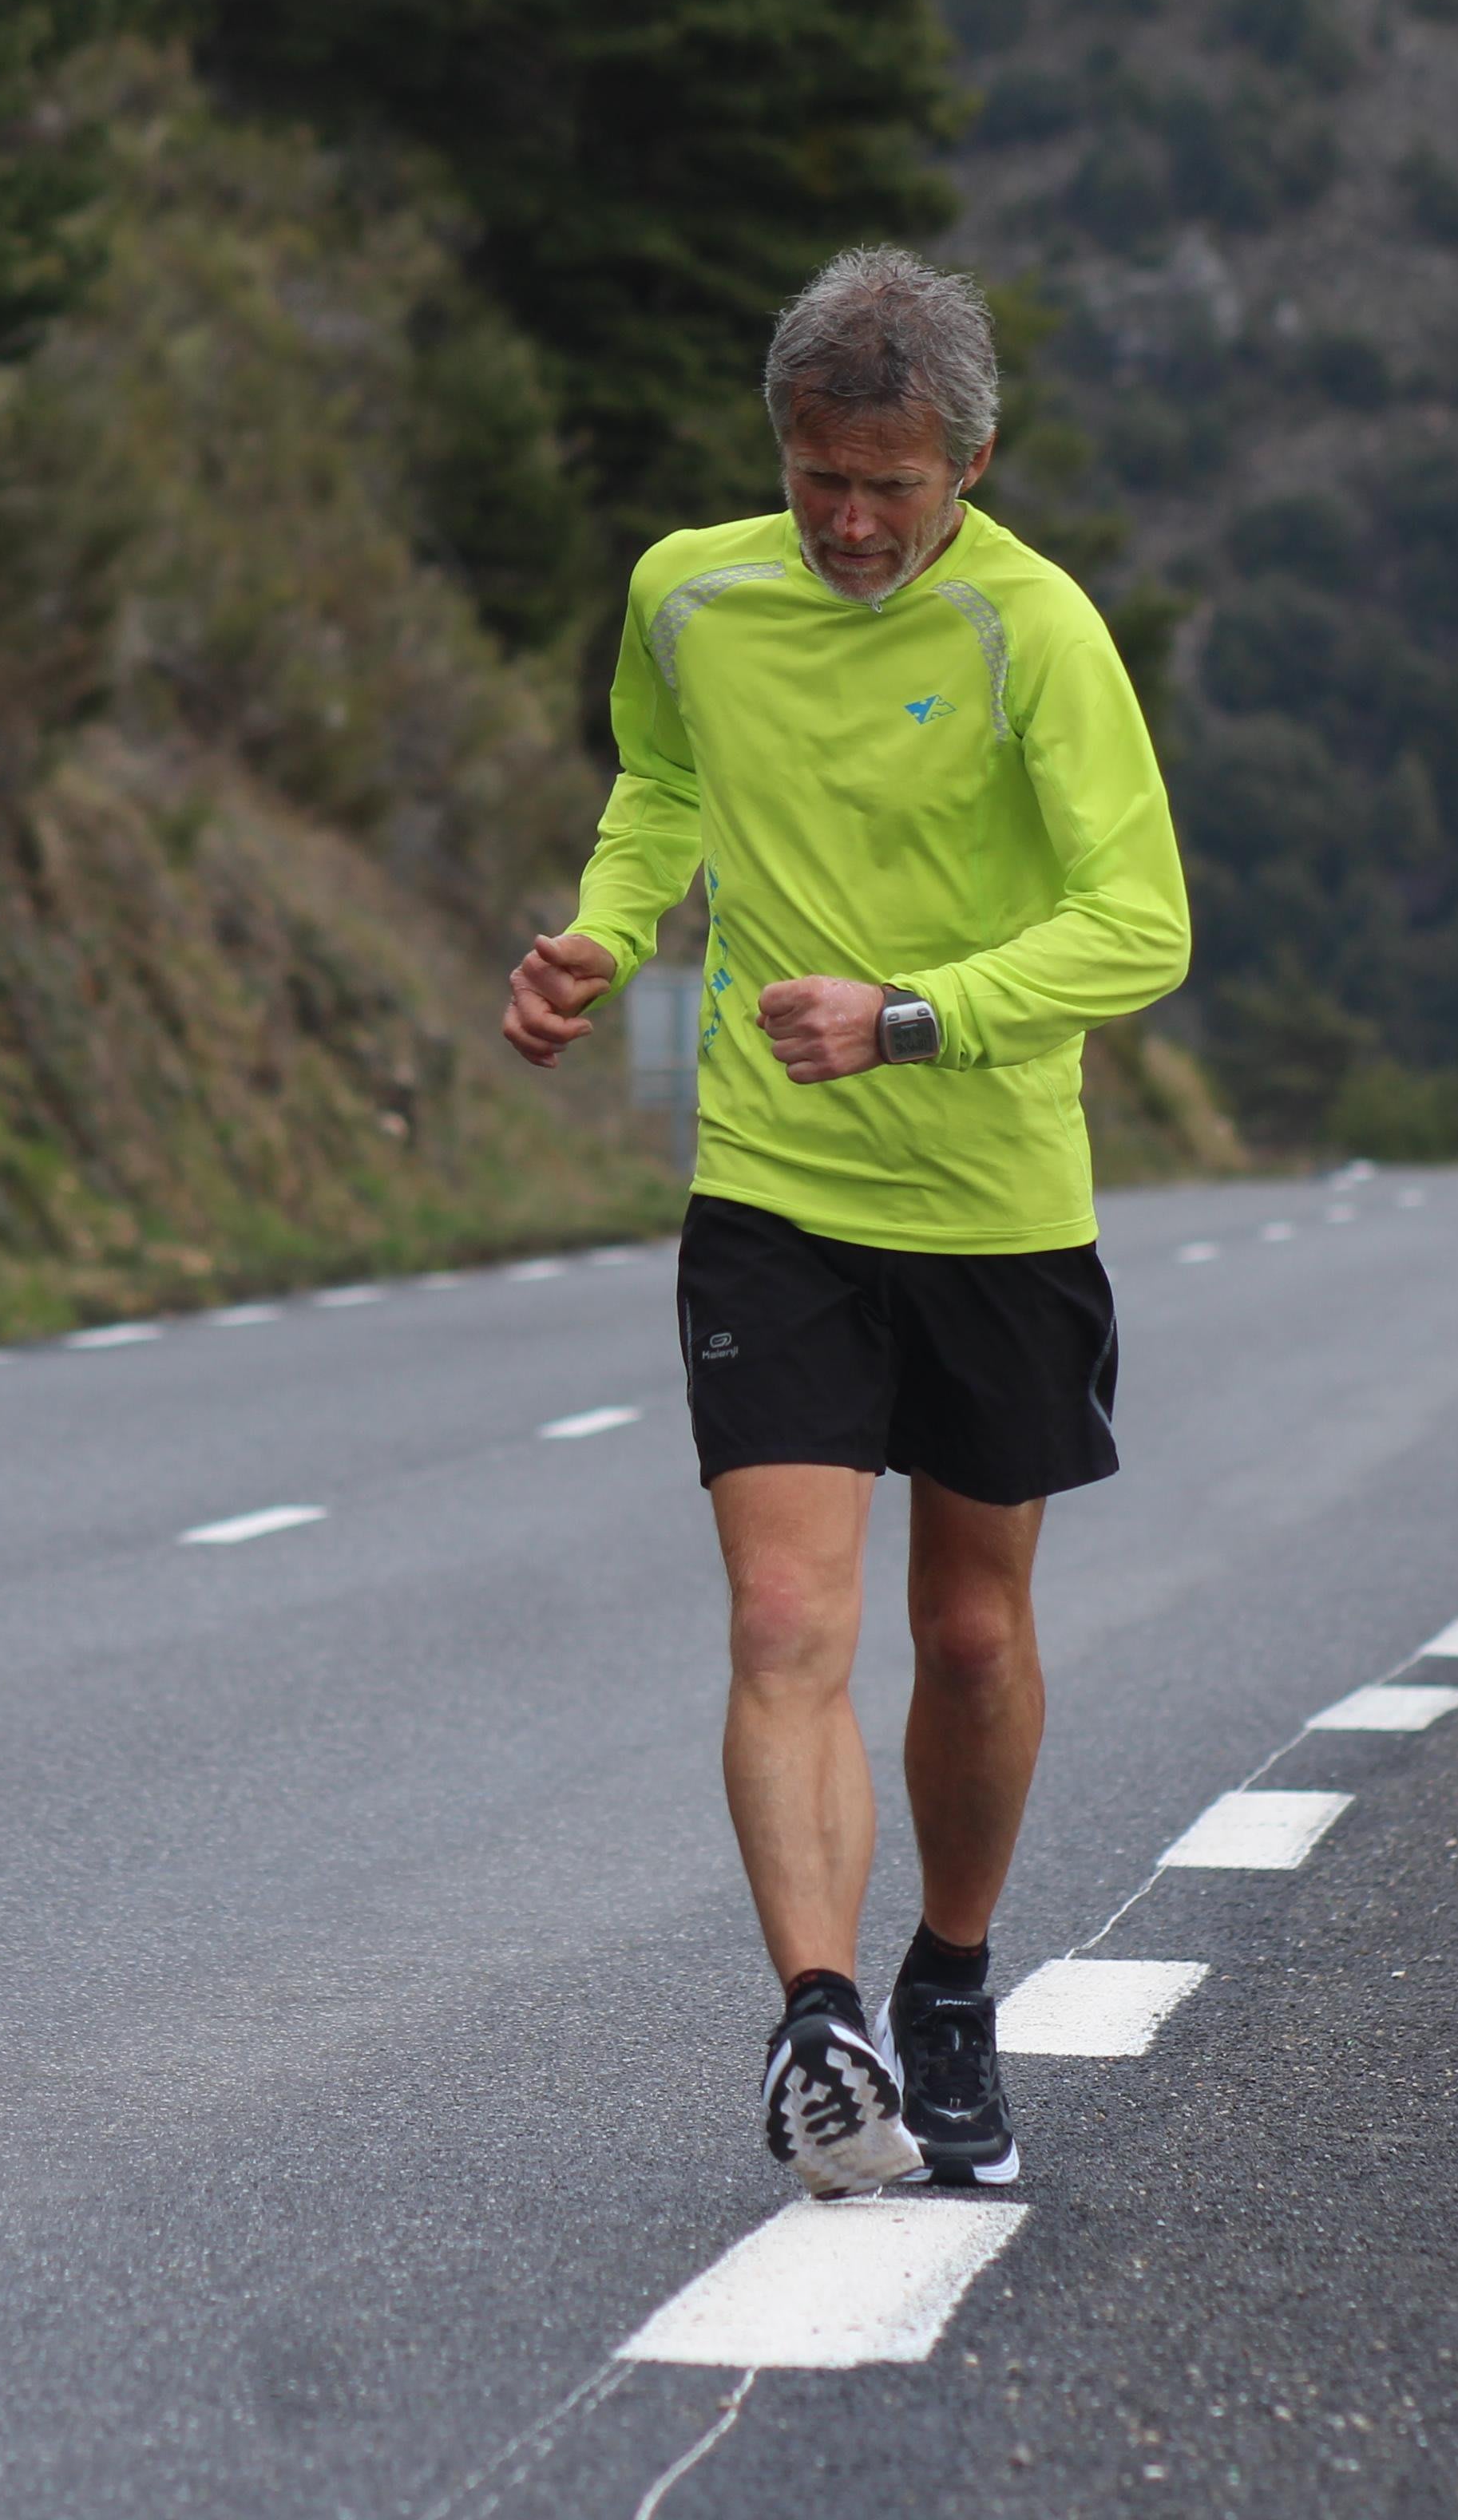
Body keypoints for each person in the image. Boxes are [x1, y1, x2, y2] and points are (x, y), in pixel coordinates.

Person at [500, 247, 1191, 2198]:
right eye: (820, 478)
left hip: (992, 1201)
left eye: (894, 483)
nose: (855, 523)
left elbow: (1144, 925)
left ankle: (952, 1984)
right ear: (779, 449)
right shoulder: (689, 591)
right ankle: (821, 2020)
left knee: (968, 1637)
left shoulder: (1037, 630)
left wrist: (912, 1019)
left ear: (977, 456)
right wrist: (602, 936)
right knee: (790, 1614)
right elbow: (663, 784)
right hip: (774, 1194)